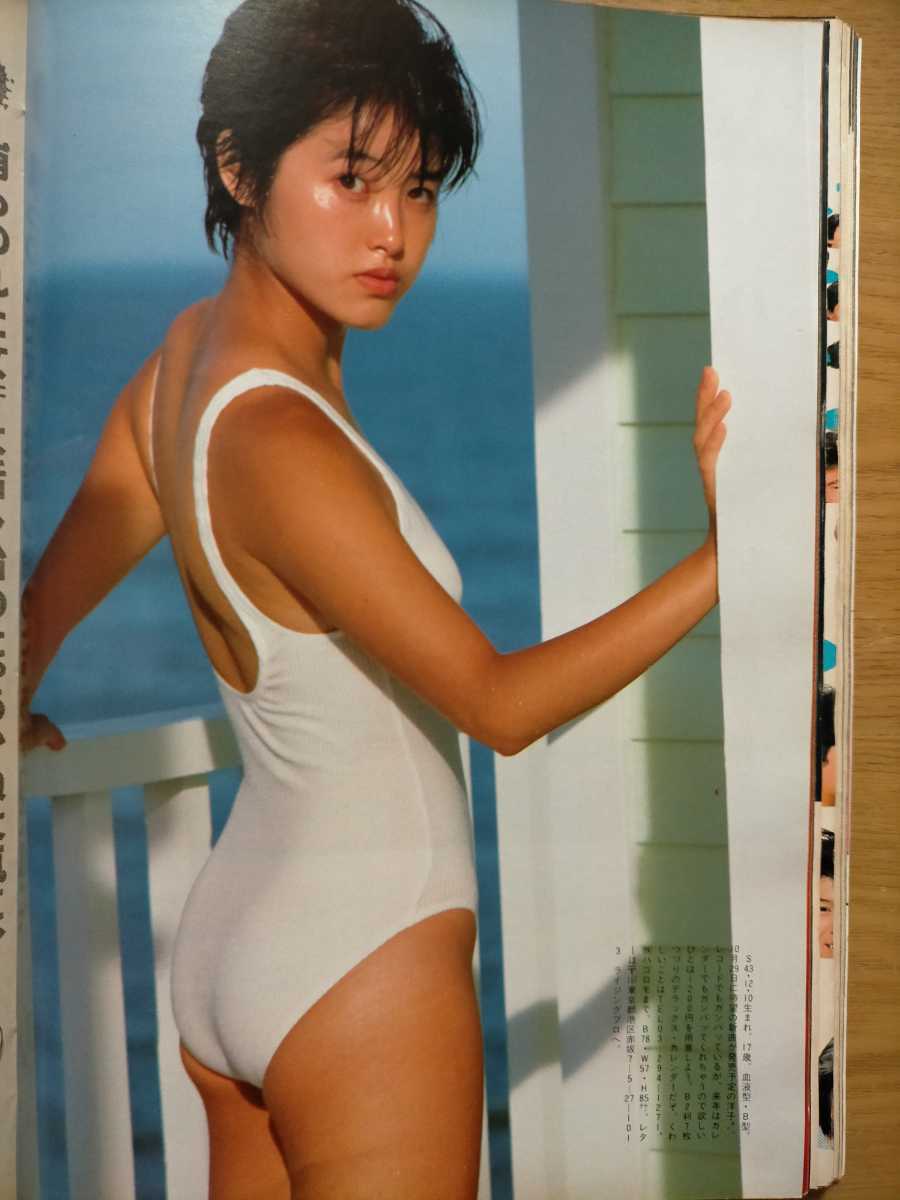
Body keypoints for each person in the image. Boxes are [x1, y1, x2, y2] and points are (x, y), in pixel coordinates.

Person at [19, 1, 731, 1196]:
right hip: (360, 957)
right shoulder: (281, 443)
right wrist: (721, 561)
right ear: (238, 166)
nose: (392, 231)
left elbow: (36, 617)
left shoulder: (183, 365)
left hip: (238, 935)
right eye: (351, 180)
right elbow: (498, 707)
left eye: (421, 189)